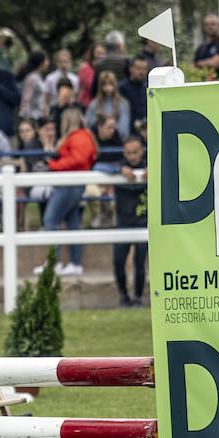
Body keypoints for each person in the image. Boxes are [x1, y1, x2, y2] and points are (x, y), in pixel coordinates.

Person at [35, 108, 96, 277]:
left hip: (70, 184)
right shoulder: (82, 136)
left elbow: (78, 160)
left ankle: (55, 263)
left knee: (50, 219)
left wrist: (53, 165)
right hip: (74, 184)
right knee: (72, 223)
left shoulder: (79, 136)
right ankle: (74, 263)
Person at [113, 137, 147, 307]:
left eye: (136, 152)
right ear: (124, 153)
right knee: (118, 262)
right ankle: (124, 297)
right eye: (129, 153)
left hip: (143, 221)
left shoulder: (151, 165)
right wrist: (119, 169)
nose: (133, 156)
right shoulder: (119, 166)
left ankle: (138, 298)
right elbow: (98, 167)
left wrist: (153, 168)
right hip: (123, 222)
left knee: (139, 263)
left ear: (142, 151)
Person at [85, 71, 131, 138]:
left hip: (117, 141)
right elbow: (89, 124)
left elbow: (124, 128)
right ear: (100, 86)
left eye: (110, 84)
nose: (107, 87)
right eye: (104, 84)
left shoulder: (122, 103)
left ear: (115, 85)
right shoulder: (94, 103)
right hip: (98, 140)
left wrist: (110, 131)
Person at [15, 50, 50, 123]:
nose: (48, 62)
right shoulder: (32, 78)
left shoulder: (38, 76)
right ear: (41, 62)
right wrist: (26, 118)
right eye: (46, 60)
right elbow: (26, 98)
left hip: (37, 117)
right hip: (31, 118)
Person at [92, 31, 129, 98]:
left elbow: (94, 88)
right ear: (120, 46)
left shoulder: (99, 63)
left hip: (104, 100)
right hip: (123, 98)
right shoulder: (125, 61)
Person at [194, 13, 219, 77]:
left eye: (213, 24)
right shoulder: (201, 47)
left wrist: (198, 64)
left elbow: (215, 63)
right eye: (207, 25)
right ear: (204, 28)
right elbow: (192, 66)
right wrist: (207, 62)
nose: (210, 27)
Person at [118, 56, 148, 133]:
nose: (141, 72)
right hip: (128, 130)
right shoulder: (122, 88)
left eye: (144, 69)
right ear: (130, 69)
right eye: (138, 68)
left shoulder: (148, 88)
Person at [77, 42, 101, 107]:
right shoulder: (85, 67)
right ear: (92, 53)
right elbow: (90, 85)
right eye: (98, 53)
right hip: (86, 102)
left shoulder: (104, 66)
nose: (100, 55)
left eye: (102, 53)